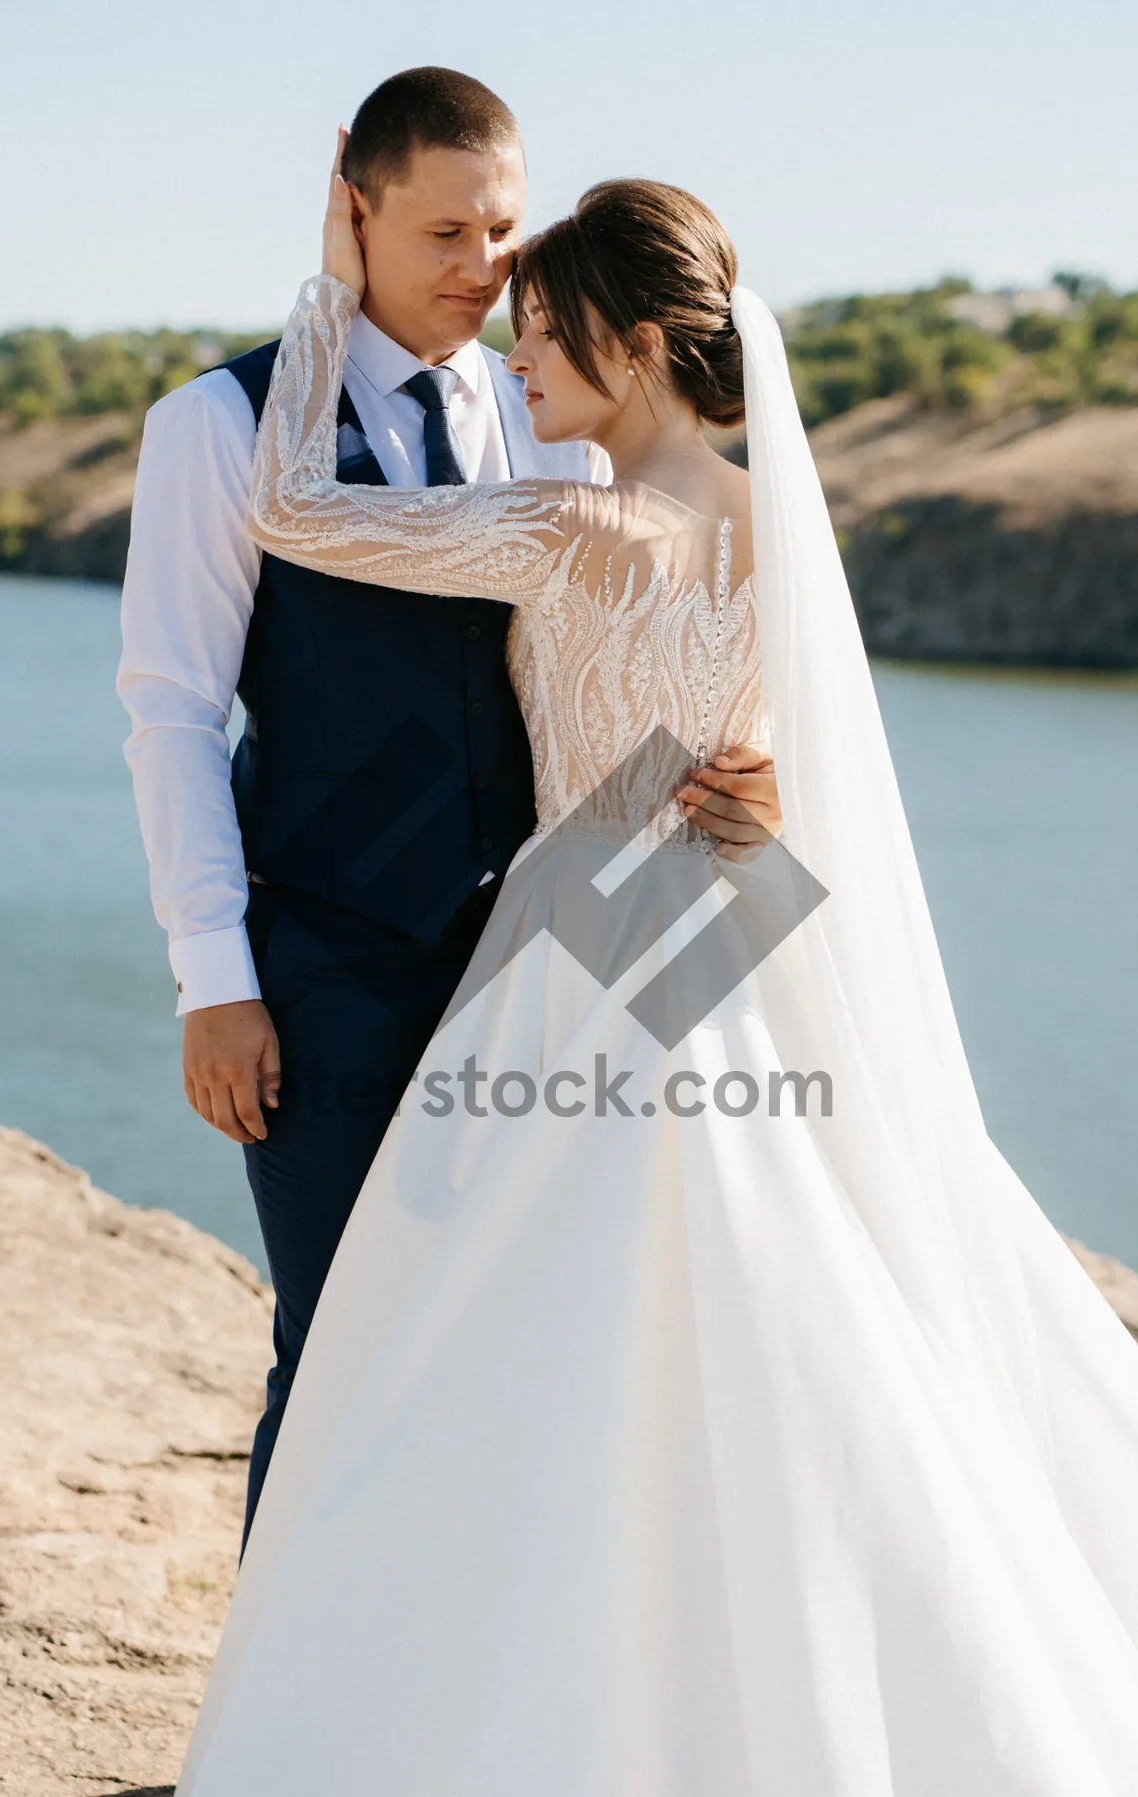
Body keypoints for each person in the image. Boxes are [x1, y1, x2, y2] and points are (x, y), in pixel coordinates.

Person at [174, 148, 1138, 1794]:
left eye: (543, 333)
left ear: (630, 348)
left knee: (501, 1324)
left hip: (587, 925)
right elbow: (807, 772)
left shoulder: (572, 528)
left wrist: (331, 292)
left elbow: (287, 509)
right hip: (739, 925)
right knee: (779, 1297)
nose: (514, 357)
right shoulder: (784, 534)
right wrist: (754, 789)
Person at [116, 68, 778, 1547]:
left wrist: (751, 771)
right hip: (330, 969)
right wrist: (212, 979)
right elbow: (168, 714)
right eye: (449, 234)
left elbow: (670, 648)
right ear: (352, 205)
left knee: (529, 1363)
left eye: (507, 230)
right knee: (339, 1346)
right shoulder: (216, 428)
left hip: (554, 976)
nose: (493, 271)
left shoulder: (555, 414)